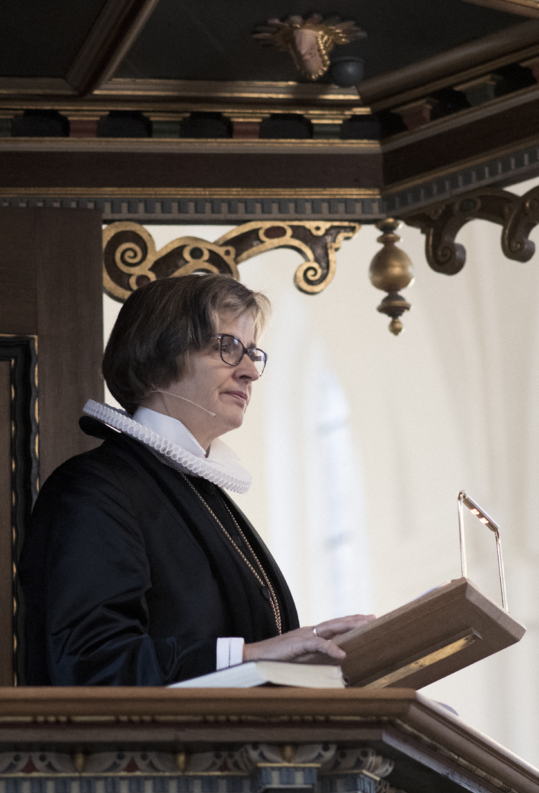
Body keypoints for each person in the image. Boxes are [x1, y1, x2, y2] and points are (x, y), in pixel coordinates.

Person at [19, 273, 373, 685]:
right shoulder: (93, 489)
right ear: (156, 357)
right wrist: (250, 655)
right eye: (228, 347)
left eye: (252, 353)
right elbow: (94, 664)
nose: (250, 372)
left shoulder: (200, 489)